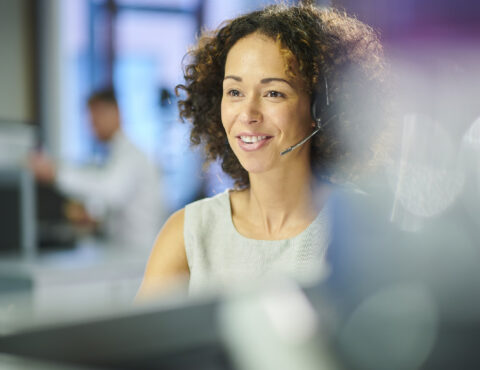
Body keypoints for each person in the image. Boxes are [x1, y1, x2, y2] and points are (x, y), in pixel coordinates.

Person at [137, 3, 389, 298]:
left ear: (321, 108)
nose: (248, 113)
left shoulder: (364, 230)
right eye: (235, 92)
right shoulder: (187, 233)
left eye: (273, 93)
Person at [29, 88, 166, 251]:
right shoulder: (115, 154)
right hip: (128, 250)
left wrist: (56, 173)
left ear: (116, 113)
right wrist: (98, 220)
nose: (93, 126)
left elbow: (112, 191)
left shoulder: (132, 155)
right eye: (91, 119)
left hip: (139, 252)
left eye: (97, 117)